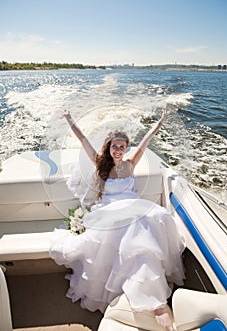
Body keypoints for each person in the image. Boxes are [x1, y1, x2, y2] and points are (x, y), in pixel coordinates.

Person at [49, 109, 185, 331]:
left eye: (122, 146)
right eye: (115, 146)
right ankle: (156, 303)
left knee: (158, 215)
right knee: (131, 227)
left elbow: (147, 139)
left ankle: (148, 292)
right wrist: (69, 119)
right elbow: (82, 139)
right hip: (111, 207)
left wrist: (160, 121)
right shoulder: (101, 163)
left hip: (133, 204)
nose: (119, 150)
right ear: (109, 147)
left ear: (126, 148)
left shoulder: (131, 163)